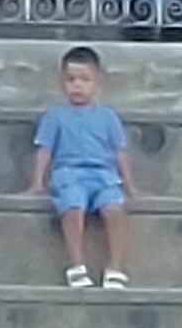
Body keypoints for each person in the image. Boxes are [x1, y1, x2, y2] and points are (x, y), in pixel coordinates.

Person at [32, 42, 135, 288]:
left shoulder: (108, 116)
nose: (77, 85)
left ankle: (115, 266)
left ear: (98, 82)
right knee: (73, 208)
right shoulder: (55, 115)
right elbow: (44, 150)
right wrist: (37, 182)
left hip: (103, 175)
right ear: (61, 82)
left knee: (114, 210)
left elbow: (120, 152)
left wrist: (130, 185)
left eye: (85, 80)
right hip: (69, 174)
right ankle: (77, 265)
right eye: (71, 79)